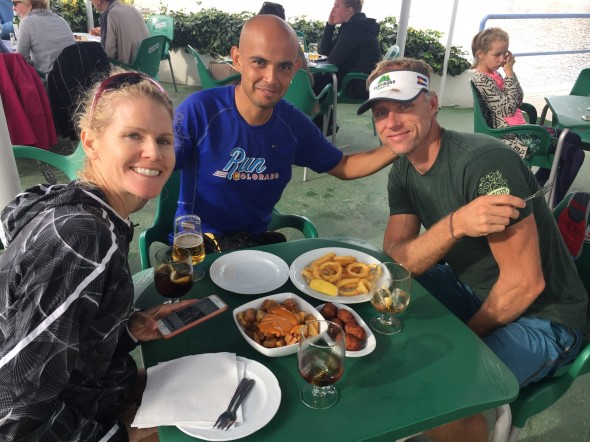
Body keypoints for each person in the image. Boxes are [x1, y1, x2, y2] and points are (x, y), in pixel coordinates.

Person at [358, 57, 588, 441]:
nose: (392, 123)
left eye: (405, 106)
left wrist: (465, 337)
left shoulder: (485, 164)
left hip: (545, 315)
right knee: (375, 295)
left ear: (432, 104)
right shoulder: (402, 169)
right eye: (382, 113)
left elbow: (524, 285)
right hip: (474, 287)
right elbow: (396, 261)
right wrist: (456, 225)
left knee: (446, 395)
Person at [0, 70, 192, 441]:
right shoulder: (81, 239)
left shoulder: (84, 207)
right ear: (90, 142)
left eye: (164, 140)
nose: (153, 152)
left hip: (95, 394)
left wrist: (123, 331)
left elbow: (62, 345)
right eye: (133, 135)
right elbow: (12, 417)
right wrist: (121, 434)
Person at [174, 14, 396, 253]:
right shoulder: (200, 111)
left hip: (253, 248)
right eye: (259, 62)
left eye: (284, 67)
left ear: (296, 70)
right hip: (197, 249)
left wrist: (397, 147)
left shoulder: (292, 123)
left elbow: (344, 166)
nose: (271, 78)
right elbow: (159, 161)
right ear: (237, 59)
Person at [471, 27, 584, 204]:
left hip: (517, 128)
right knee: (575, 155)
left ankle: (539, 184)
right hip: (511, 135)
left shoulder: (493, 74)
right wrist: (509, 73)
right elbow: (508, 108)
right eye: (497, 55)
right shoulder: (482, 80)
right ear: (481, 54)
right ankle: (551, 204)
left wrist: (509, 75)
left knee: (574, 138)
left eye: (505, 54)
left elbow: (518, 97)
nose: (503, 60)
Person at [315, 0, 380, 100]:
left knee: (313, 82)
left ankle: (317, 114)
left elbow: (332, 60)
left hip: (355, 84)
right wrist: (330, 26)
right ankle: (321, 114)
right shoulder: (354, 25)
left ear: (349, 10)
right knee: (316, 79)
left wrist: (330, 26)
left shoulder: (355, 28)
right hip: (355, 79)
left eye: (336, 6)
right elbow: (326, 53)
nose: (333, 11)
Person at [257, 1, 314, 87]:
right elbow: (309, 81)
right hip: (300, 98)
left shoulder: (253, 43)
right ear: (283, 21)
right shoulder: (293, 45)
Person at [13, 0, 75, 74]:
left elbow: (20, 61)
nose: (13, 8)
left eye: (15, 3)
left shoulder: (27, 22)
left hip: (48, 82)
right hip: (73, 79)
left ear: (28, 3)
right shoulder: (61, 20)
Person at [89, 0, 149, 65]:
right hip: (146, 65)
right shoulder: (132, 9)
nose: (91, 2)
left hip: (128, 69)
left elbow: (108, 54)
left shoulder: (109, 14)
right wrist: (103, 31)